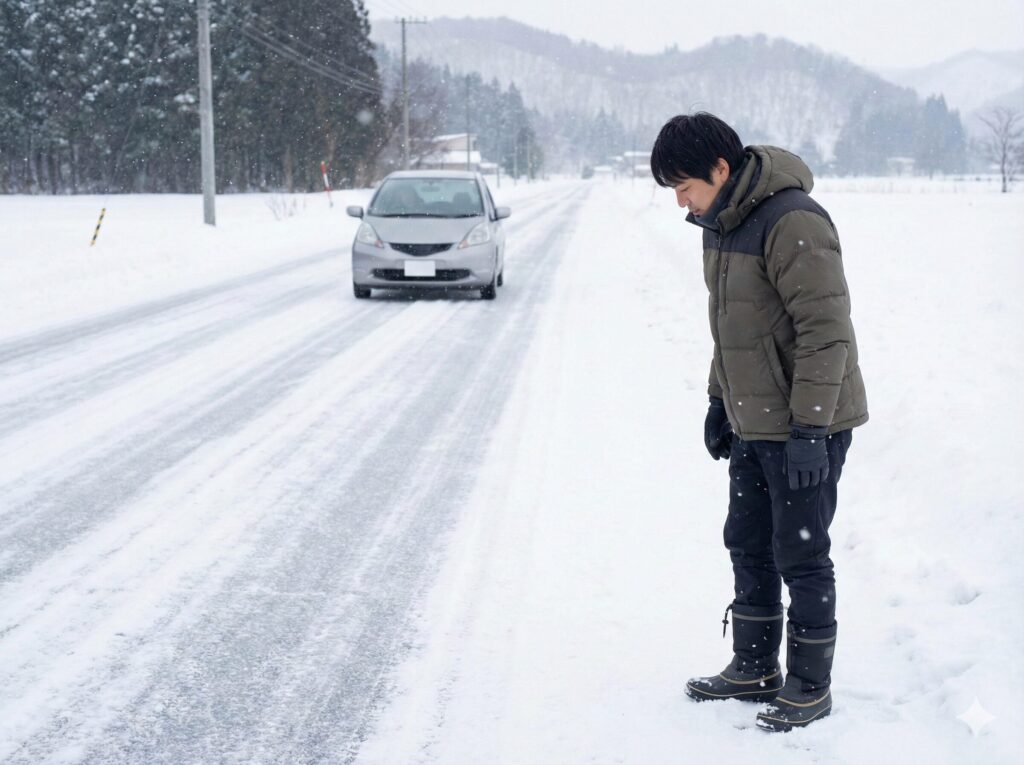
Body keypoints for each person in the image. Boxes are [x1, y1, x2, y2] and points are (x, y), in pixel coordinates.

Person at [650, 113, 868, 732]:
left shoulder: (792, 220)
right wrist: (720, 400)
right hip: (752, 420)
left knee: (799, 553)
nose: (681, 202)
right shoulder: (718, 224)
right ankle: (754, 665)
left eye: (685, 185)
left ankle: (809, 684)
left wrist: (809, 433)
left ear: (721, 169)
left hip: (807, 422)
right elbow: (733, 331)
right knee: (747, 541)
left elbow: (827, 335)